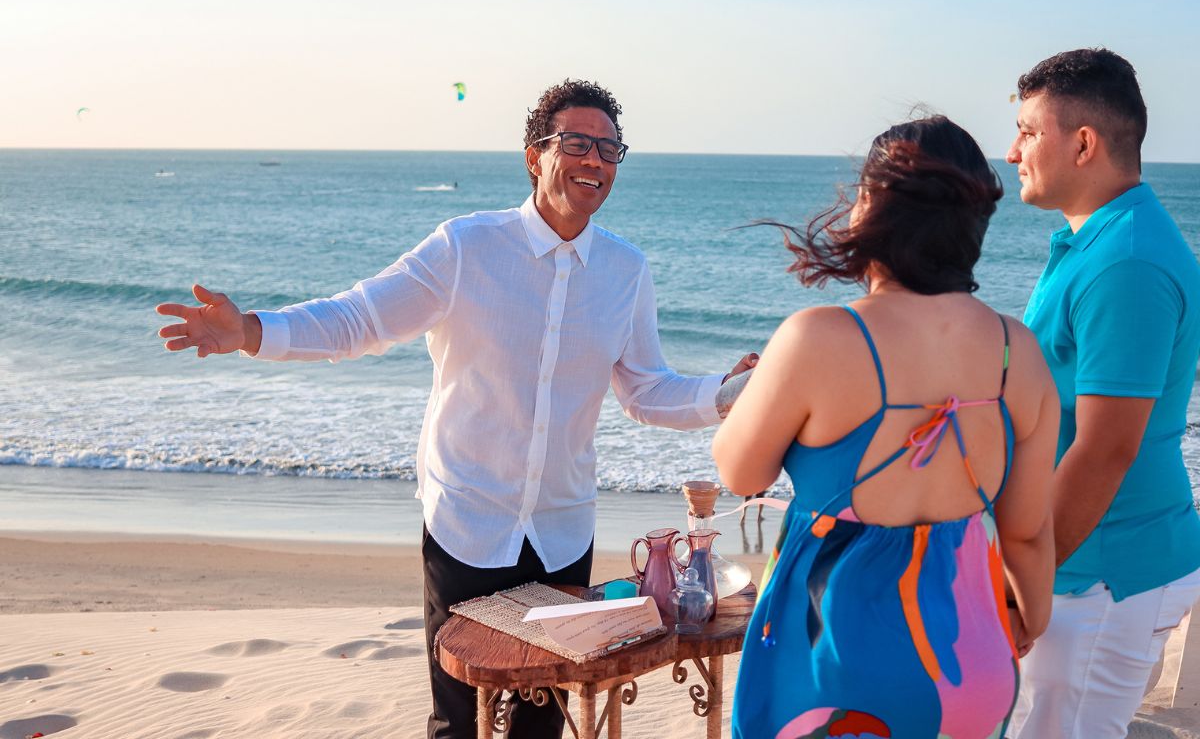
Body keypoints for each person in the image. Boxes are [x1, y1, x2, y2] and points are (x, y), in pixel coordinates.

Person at [156, 79, 755, 739]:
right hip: (467, 526)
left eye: (610, 149)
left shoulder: (626, 270)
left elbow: (646, 391)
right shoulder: (467, 247)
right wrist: (252, 332)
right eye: (578, 143)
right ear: (535, 155)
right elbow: (361, 318)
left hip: (561, 536)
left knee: (542, 723)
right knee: (459, 722)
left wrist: (726, 395)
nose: (595, 161)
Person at [713, 116, 1059, 737]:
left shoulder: (819, 337)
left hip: (833, 670)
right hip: (968, 661)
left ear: (871, 204)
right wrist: (1029, 621)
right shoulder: (1018, 351)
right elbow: (1028, 533)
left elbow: (739, 471)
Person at [1004, 48, 1200, 737]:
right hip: (1085, 565)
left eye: (1029, 131)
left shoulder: (1129, 261)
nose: (1012, 151)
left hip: (1103, 573)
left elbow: (1106, 448)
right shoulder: (1097, 241)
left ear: (1083, 143)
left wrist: (1021, 579)